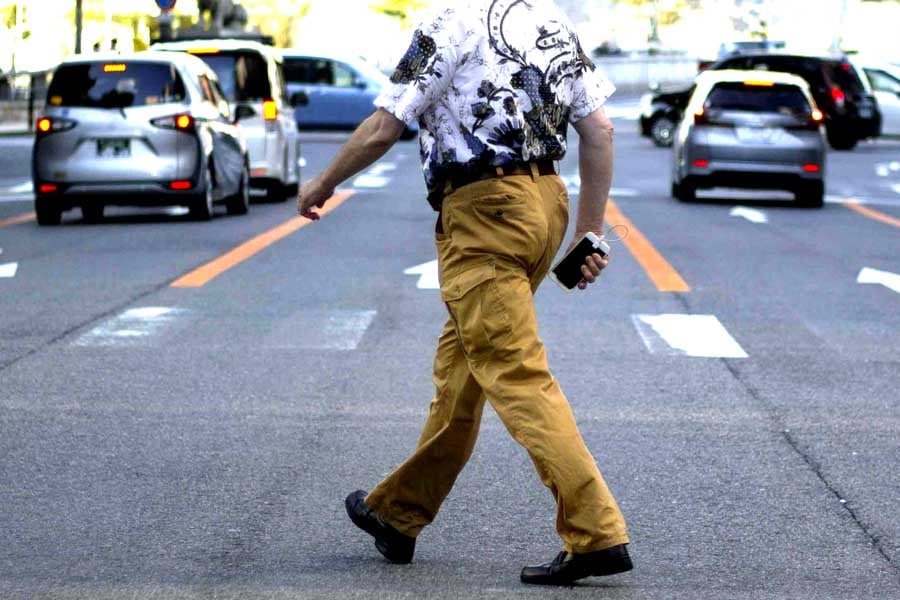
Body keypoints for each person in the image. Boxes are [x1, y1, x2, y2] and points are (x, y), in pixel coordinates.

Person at [297, 0, 631, 586]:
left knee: (514, 371)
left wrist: (322, 182)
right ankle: (397, 515)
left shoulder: (447, 20)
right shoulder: (549, 20)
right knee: (462, 371)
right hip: (544, 205)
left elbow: (384, 126)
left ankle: (595, 531)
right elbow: (599, 129)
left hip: (484, 215)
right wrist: (587, 235)